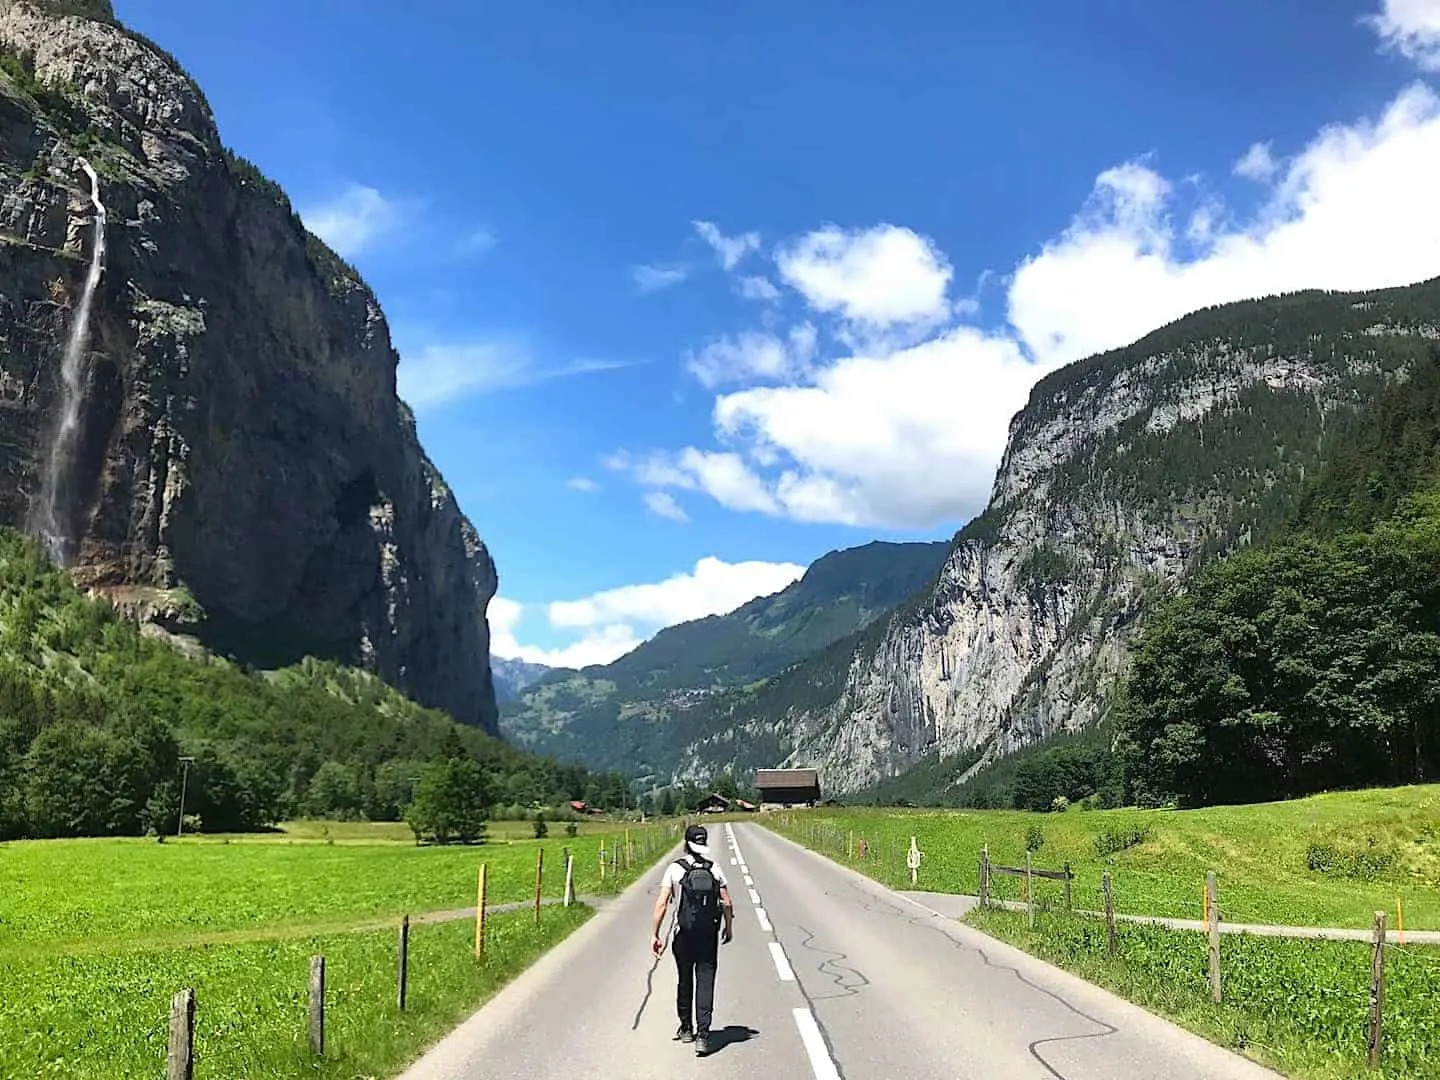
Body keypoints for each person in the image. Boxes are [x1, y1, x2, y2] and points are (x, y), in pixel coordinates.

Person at [651, 823, 734, 1055]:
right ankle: (703, 1035)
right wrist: (728, 926)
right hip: (708, 934)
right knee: (706, 981)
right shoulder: (714, 867)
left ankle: (686, 1028)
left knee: (684, 979)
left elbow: (661, 904)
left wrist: (655, 934)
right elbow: (727, 901)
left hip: (683, 934)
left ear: (686, 843)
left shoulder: (674, 869)